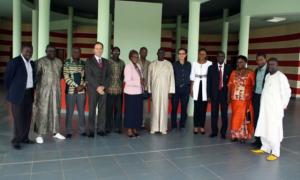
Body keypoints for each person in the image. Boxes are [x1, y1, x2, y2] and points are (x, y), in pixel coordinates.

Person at [252, 58, 291, 161]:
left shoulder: (281, 76)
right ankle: (265, 148)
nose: (271, 66)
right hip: (265, 108)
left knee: (274, 130)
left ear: (277, 65)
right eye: (269, 64)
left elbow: (287, 91)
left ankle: (275, 152)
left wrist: (284, 105)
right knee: (264, 127)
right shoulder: (268, 76)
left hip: (275, 109)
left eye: (273, 64)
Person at [32, 44, 65, 144]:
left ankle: (56, 132)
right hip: (43, 92)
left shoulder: (59, 62)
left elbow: (60, 75)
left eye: (54, 51)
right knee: (42, 112)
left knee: (56, 111)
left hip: (56, 91)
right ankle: (39, 134)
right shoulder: (40, 62)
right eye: (50, 51)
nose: (52, 53)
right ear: (46, 51)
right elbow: (36, 77)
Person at [4, 44, 35, 149]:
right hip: (18, 95)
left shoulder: (32, 63)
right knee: (18, 118)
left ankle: (25, 138)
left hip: (29, 93)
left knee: (27, 117)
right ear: (22, 50)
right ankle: (16, 140)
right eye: (27, 51)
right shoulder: (14, 62)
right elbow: (7, 79)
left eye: (31, 51)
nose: (29, 53)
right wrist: (13, 91)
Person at [85, 42, 110, 137]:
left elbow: (108, 76)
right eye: (97, 48)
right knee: (91, 110)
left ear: (103, 50)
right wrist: (97, 87)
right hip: (93, 90)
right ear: (93, 50)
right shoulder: (89, 61)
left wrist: (103, 86)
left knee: (102, 110)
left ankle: (101, 129)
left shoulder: (106, 61)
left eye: (100, 48)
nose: (99, 50)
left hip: (103, 90)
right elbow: (88, 76)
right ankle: (90, 130)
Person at [228, 55, 255, 143]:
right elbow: (230, 86)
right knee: (235, 116)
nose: (239, 64)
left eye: (241, 62)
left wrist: (252, 98)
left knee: (244, 117)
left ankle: (243, 135)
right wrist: (228, 97)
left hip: (245, 100)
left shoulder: (250, 72)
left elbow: (254, 86)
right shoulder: (233, 72)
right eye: (238, 62)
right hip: (235, 99)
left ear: (245, 62)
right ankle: (234, 135)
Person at [148, 48, 175, 134]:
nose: (161, 54)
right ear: (157, 53)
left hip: (165, 90)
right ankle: (154, 127)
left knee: (164, 107)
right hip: (155, 89)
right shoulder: (152, 64)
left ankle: (163, 128)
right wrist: (150, 91)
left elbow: (172, 78)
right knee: (155, 108)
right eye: (159, 52)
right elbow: (149, 79)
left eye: (162, 53)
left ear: (164, 54)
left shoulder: (169, 64)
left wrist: (171, 91)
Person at [207, 51, 231, 139]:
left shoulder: (229, 68)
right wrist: (208, 95)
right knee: (214, 114)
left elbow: (231, 83)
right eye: (219, 56)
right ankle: (214, 131)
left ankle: (223, 132)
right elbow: (208, 83)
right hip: (214, 95)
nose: (221, 58)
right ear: (217, 58)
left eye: (222, 56)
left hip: (224, 95)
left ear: (224, 57)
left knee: (224, 114)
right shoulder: (211, 68)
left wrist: (229, 96)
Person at [63, 47, 86, 139]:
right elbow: (66, 77)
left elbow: (86, 77)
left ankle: (82, 130)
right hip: (70, 92)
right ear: (72, 52)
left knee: (81, 112)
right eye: (74, 51)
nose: (76, 53)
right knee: (69, 112)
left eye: (78, 51)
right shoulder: (67, 62)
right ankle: (68, 131)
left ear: (80, 53)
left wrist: (83, 86)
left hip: (82, 92)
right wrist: (77, 86)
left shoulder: (83, 63)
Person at [190, 48, 212, 134]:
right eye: (200, 54)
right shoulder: (194, 64)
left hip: (205, 87)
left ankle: (202, 126)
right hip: (196, 86)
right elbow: (192, 77)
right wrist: (191, 89)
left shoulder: (210, 64)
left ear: (206, 55)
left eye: (204, 54)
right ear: (198, 55)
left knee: (203, 108)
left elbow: (210, 78)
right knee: (196, 108)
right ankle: (196, 126)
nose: (202, 55)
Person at [124, 50, 144, 138]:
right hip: (130, 93)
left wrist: (143, 82)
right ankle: (129, 129)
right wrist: (139, 82)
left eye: (137, 57)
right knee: (130, 112)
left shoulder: (138, 66)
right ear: (130, 57)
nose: (136, 58)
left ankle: (135, 128)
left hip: (138, 92)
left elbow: (141, 77)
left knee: (137, 111)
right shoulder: (128, 67)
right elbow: (127, 81)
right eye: (134, 57)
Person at [106, 47, 125, 134]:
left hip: (119, 90)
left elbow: (122, 76)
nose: (116, 53)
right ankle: (108, 127)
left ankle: (117, 127)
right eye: (115, 51)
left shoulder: (122, 63)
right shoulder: (108, 62)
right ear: (112, 52)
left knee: (118, 110)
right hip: (109, 90)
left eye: (118, 51)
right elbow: (105, 75)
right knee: (109, 110)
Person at [171, 48, 191, 131]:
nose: (181, 55)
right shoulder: (174, 65)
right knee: (174, 107)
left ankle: (182, 125)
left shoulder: (189, 65)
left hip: (186, 89)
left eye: (183, 53)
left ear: (186, 55)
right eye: (179, 53)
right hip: (176, 89)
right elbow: (171, 77)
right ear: (178, 55)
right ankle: (174, 125)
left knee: (184, 107)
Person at [252, 53, 268, 148]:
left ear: (265, 60)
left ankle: (264, 141)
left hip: (265, 98)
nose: (260, 62)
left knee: (264, 118)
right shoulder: (256, 70)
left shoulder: (269, 70)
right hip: (256, 97)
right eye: (258, 60)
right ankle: (257, 139)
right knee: (256, 118)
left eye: (261, 59)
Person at [137, 47, 151, 129]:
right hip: (137, 88)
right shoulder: (136, 61)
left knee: (145, 107)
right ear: (139, 52)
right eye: (142, 52)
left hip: (145, 88)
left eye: (145, 52)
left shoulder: (149, 63)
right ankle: (137, 121)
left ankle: (143, 123)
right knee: (137, 106)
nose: (144, 53)